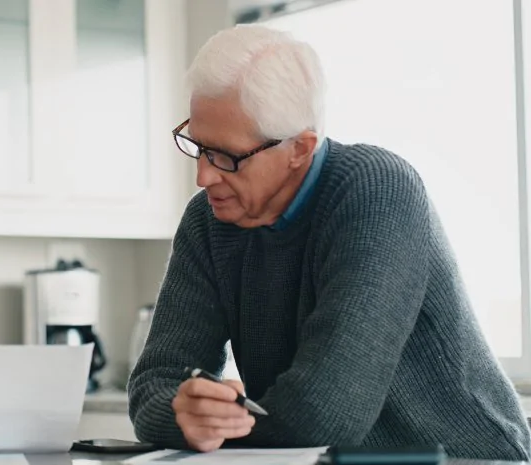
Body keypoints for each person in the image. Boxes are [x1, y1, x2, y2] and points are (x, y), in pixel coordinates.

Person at [127, 24, 531, 461]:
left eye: (227, 157)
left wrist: (211, 431)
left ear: (300, 148)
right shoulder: (208, 219)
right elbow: (155, 383)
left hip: (467, 458)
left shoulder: (379, 191)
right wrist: (183, 415)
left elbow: (324, 413)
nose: (204, 176)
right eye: (198, 146)